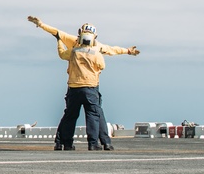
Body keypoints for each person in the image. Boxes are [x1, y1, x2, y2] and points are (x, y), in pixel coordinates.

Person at [28, 16, 139, 150]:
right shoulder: (97, 48)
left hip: (74, 86)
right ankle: (96, 143)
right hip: (91, 87)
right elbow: (110, 53)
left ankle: (65, 143)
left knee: (70, 115)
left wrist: (41, 25)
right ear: (94, 36)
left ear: (80, 33)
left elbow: (57, 36)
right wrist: (127, 51)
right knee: (94, 115)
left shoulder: (74, 47)